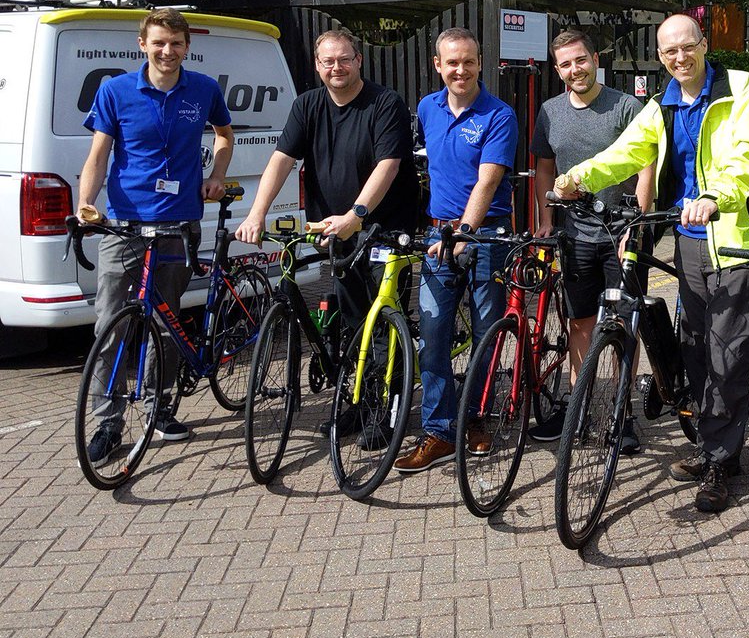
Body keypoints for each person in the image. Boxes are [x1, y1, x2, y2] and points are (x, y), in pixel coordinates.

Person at [556, 14, 749, 513]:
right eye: (669, 52)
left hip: (737, 239)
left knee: (727, 354)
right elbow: (625, 152)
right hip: (687, 240)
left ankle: (721, 461)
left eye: (687, 47)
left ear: (703, 45)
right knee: (696, 349)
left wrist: (715, 195)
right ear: (661, 57)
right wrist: (578, 177)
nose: (680, 58)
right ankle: (710, 445)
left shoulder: (741, 88)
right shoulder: (661, 105)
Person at [235, 28, 420, 437]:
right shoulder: (308, 106)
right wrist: (256, 214)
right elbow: (281, 159)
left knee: (382, 319)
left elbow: (388, 165)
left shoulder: (384, 103)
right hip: (335, 231)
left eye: (344, 59)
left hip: (385, 229)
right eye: (328, 61)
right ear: (318, 66)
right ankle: (357, 401)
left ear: (358, 60)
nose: (337, 67)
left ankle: (385, 410)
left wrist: (357, 214)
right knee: (351, 319)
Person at [78, 8, 233, 458]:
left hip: (178, 224)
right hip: (124, 225)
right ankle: (108, 423)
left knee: (166, 323)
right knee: (110, 326)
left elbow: (224, 136)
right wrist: (86, 205)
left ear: (187, 47)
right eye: (159, 42)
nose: (168, 51)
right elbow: (98, 155)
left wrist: (217, 175)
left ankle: (158, 408)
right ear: (143, 44)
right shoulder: (115, 90)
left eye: (176, 43)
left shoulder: (203, 89)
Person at [393, 27, 519, 473]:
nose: (460, 70)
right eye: (452, 62)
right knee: (433, 334)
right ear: (438, 65)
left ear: (480, 62)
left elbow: (488, 180)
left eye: (468, 61)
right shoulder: (428, 108)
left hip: (487, 236)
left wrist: (466, 231)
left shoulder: (499, 114)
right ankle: (440, 431)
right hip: (438, 235)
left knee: (486, 333)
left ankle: (476, 418)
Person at [529, 29, 654, 451]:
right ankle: (578, 407)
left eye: (580, 60)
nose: (574, 70)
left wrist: (636, 224)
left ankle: (622, 412)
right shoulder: (550, 111)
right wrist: (546, 220)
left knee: (624, 323)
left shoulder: (625, 106)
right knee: (579, 321)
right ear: (557, 69)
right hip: (576, 233)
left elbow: (646, 167)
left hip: (621, 234)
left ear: (595, 59)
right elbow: (545, 169)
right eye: (565, 64)